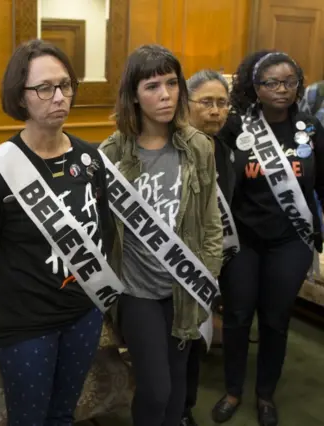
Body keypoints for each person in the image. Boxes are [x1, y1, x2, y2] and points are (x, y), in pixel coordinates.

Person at [0, 40, 116, 425]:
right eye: (45, 88)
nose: (59, 96)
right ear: (21, 96)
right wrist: (16, 297)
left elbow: (104, 230)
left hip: (83, 312)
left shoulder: (89, 157)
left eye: (65, 85)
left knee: (65, 414)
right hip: (25, 323)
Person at [99, 45, 223, 426]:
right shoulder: (112, 153)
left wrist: (206, 277)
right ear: (133, 95)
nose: (166, 95)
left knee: (176, 396)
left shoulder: (199, 147)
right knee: (155, 391)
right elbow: (101, 231)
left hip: (185, 287)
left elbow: (211, 224)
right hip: (136, 292)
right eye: (153, 86)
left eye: (172, 83)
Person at [210, 50, 324, 426]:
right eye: (271, 83)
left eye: (289, 82)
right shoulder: (234, 128)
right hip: (243, 241)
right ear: (254, 87)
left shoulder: (311, 129)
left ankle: (265, 394)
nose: (281, 89)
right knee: (239, 316)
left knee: (276, 320)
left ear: (298, 84)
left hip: (290, 241)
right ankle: (232, 390)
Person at [183, 70, 235, 426]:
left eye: (222, 103)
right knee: (181, 343)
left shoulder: (228, 150)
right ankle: (178, 409)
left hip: (218, 259)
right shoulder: (175, 148)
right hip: (179, 262)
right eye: (207, 102)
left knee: (195, 342)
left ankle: (186, 406)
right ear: (187, 105)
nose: (216, 111)